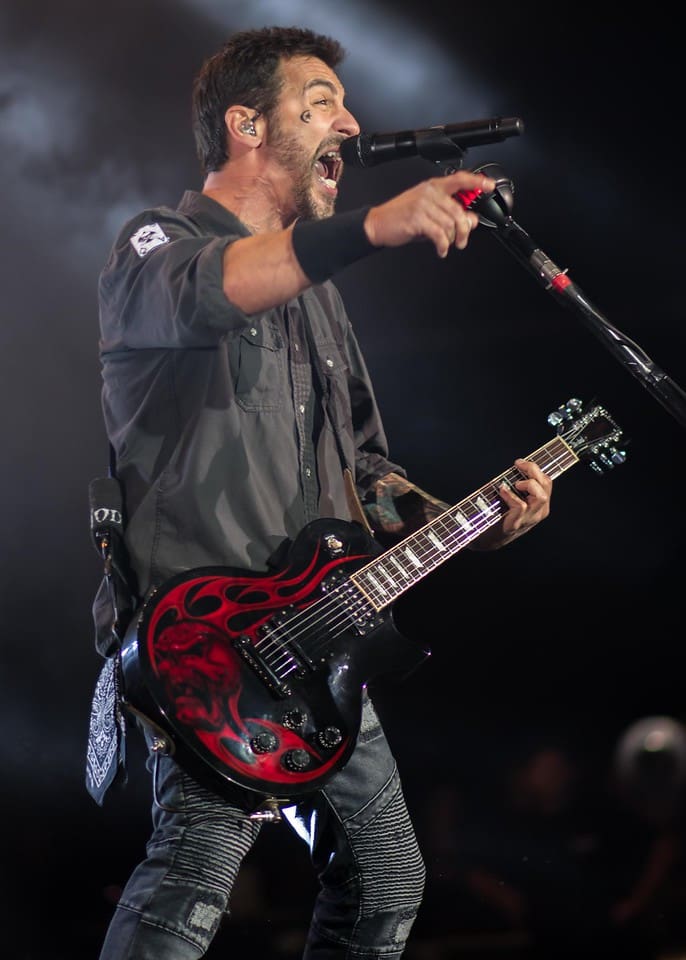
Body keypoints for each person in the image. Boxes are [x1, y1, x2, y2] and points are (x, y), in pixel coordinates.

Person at [90, 24, 554, 960]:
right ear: (246, 126)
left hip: (314, 641)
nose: (350, 123)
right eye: (320, 106)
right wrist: (378, 225)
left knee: (387, 881)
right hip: (204, 640)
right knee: (193, 877)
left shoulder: (320, 299)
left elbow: (367, 474)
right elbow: (207, 293)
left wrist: (463, 523)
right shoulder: (156, 241)